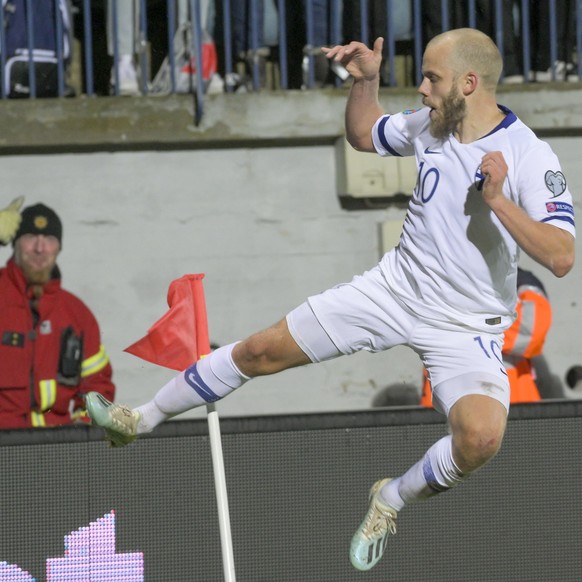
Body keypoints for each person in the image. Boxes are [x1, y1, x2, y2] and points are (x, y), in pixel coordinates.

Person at [85, 28, 575, 572]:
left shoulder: (529, 154)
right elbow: (365, 135)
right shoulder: (434, 123)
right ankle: (138, 420)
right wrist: (363, 84)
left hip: (467, 325)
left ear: (468, 81)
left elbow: (560, 255)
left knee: (481, 439)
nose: (420, 89)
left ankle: (390, 499)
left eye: (432, 78)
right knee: (260, 351)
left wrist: (499, 202)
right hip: (393, 290)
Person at [0, 201, 115, 429]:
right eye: (31, 237)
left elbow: (98, 385)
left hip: (54, 451)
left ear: (59, 248)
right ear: (15, 243)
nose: (40, 248)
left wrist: (83, 431)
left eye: (50, 239)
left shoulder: (76, 314)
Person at [421, 267, 552, 405]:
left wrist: (463, 319)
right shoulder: (437, 276)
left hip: (511, 411)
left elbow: (531, 329)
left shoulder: (520, 281)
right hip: (449, 409)